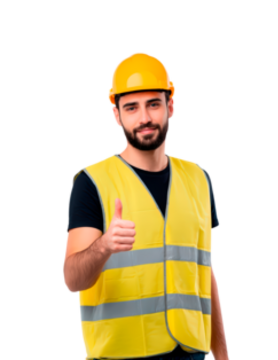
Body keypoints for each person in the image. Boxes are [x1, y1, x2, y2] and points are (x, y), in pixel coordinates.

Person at [63, 52, 230, 360]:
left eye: (153, 104)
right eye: (131, 107)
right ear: (116, 116)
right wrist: (104, 246)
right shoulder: (91, 182)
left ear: (171, 107)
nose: (144, 118)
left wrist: (222, 354)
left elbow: (205, 271)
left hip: (191, 353)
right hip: (119, 356)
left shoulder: (199, 178)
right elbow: (72, 280)